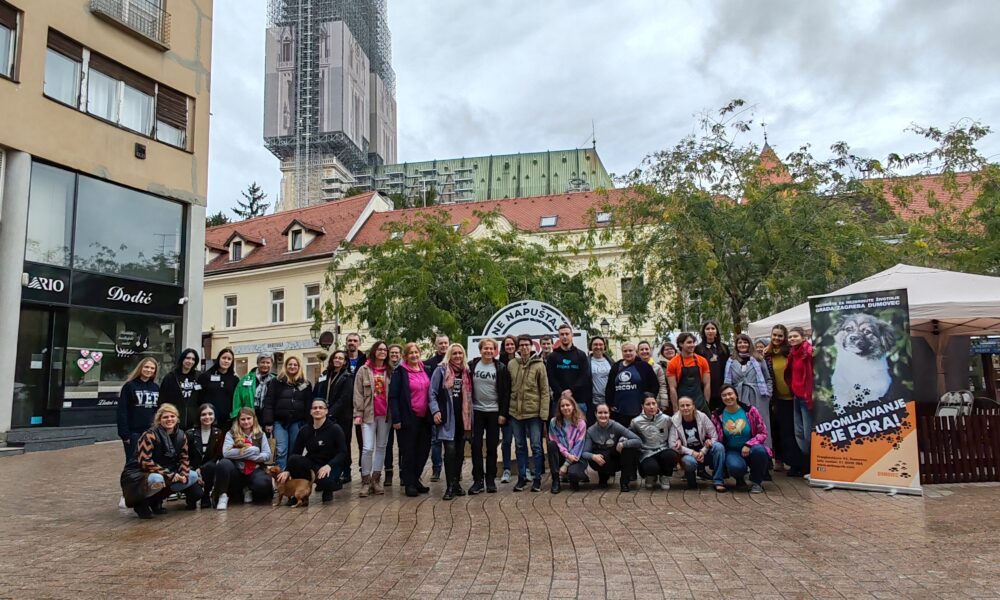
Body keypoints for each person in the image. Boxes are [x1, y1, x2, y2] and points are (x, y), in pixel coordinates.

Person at [120, 403, 202, 518]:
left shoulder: (181, 435)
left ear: (177, 418)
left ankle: (156, 500)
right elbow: (144, 461)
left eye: (172, 416)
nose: (169, 419)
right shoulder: (149, 435)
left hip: (166, 470)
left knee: (192, 476)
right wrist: (170, 475)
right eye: (165, 417)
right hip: (140, 473)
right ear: (159, 420)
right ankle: (141, 502)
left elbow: (184, 457)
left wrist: (183, 474)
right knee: (157, 479)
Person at [278, 398, 348, 503]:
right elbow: (295, 452)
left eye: (321, 408)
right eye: (314, 408)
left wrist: (329, 465)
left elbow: (343, 453)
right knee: (294, 459)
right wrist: (287, 470)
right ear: (310, 412)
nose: (317, 410)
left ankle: (328, 490)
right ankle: (300, 493)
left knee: (326, 481)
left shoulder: (335, 429)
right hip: (313, 464)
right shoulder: (305, 430)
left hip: (330, 466)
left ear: (326, 411)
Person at [429, 343, 474, 500]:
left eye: (460, 353)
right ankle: (449, 486)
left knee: (460, 453)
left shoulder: (467, 372)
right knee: (449, 451)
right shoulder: (441, 370)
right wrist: (435, 411)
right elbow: (432, 393)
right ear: (449, 354)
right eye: (454, 353)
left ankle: (456, 484)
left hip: (463, 419)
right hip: (448, 418)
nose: (457, 356)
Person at [390, 343, 434, 497]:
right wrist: (396, 418)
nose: (414, 355)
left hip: (425, 418)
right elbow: (393, 397)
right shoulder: (400, 372)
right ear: (405, 356)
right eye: (410, 353)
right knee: (409, 452)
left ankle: (416, 479)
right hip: (408, 417)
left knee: (423, 451)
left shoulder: (425, 370)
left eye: (416, 352)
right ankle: (409, 483)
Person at [468, 338, 511, 495]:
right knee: (475, 446)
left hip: (494, 412)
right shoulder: (472, 365)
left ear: (495, 351)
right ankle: (477, 480)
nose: (488, 351)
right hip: (476, 411)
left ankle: (490, 479)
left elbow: (506, 393)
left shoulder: (501, 368)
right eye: (485, 348)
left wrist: (502, 414)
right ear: (480, 350)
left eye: (491, 349)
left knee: (492, 447)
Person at [508, 334, 550, 492]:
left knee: (536, 446)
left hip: (534, 413)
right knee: (519, 446)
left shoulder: (539, 365)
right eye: (522, 345)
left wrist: (543, 414)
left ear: (531, 346)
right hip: (516, 413)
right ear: (518, 347)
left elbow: (545, 391)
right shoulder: (512, 364)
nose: (524, 347)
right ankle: (521, 477)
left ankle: (537, 478)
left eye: (527, 345)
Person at [712, 384, 771, 493]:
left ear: (736, 395)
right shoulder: (717, 415)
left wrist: (749, 444)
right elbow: (713, 435)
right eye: (724, 395)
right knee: (736, 467)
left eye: (730, 394)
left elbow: (763, 432)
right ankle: (739, 477)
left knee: (760, 451)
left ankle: (756, 482)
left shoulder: (750, 411)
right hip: (732, 450)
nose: (728, 397)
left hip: (752, 448)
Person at [214, 407, 273, 509]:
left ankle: (248, 489)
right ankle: (222, 495)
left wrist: (254, 456)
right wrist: (252, 450)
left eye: (249, 418)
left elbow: (267, 455)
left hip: (254, 469)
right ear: (238, 421)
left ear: (254, 419)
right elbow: (226, 453)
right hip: (236, 469)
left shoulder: (260, 434)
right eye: (243, 419)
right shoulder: (231, 434)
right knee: (223, 463)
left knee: (263, 484)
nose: (246, 422)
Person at [354, 341, 392, 497]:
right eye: (380, 349)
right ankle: (365, 481)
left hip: (385, 415)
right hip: (369, 414)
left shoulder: (390, 371)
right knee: (367, 448)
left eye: (385, 349)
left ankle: (376, 480)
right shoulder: (363, 370)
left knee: (382, 447)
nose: (382, 352)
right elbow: (358, 393)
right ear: (374, 351)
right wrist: (358, 413)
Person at [725, 334, 774, 453]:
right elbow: (727, 382)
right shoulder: (731, 361)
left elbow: (768, 378)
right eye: (740, 342)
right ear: (736, 345)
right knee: (743, 425)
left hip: (759, 396)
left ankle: (764, 456)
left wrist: (768, 394)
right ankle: (743, 453)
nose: (743, 345)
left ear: (749, 344)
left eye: (745, 342)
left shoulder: (758, 359)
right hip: (739, 396)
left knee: (761, 425)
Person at [262, 355, 312, 470]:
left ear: (299, 367)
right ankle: (281, 478)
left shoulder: (306, 384)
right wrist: (268, 422)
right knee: (281, 450)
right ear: (285, 366)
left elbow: (308, 404)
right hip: (279, 422)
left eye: (295, 364)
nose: (292, 366)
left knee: (295, 450)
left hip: (298, 422)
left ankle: (292, 475)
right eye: (290, 364)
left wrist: (308, 423)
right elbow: (269, 402)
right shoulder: (276, 382)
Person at [314, 350, 355, 484]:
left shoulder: (348, 376)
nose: (337, 360)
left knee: (343, 445)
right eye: (335, 358)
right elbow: (318, 392)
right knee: (328, 446)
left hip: (341, 417)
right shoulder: (325, 375)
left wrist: (330, 413)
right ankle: (331, 473)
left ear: (344, 362)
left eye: (341, 358)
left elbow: (344, 398)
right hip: (325, 417)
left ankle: (346, 471)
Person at [581, 403, 641, 491]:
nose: (603, 415)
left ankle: (624, 482)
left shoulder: (615, 426)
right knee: (600, 454)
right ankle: (603, 476)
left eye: (605, 413)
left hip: (615, 457)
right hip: (600, 460)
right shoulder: (590, 431)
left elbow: (638, 440)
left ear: (609, 414)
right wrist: (593, 456)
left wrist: (623, 444)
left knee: (630, 450)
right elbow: (584, 452)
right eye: (600, 413)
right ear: (595, 414)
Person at [669, 396, 724, 490]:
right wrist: (692, 453)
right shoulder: (675, 420)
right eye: (682, 406)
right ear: (678, 407)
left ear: (693, 406)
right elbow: (672, 444)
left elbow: (714, 435)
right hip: (688, 454)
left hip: (704, 452)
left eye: (688, 405)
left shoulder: (702, 416)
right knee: (689, 462)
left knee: (719, 447)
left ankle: (718, 481)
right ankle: (691, 480)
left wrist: (703, 451)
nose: (685, 408)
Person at [764, 325, 797, 474]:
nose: (777, 338)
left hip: (793, 397)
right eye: (774, 335)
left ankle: (794, 461)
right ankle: (779, 459)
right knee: (777, 429)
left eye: (780, 336)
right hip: (776, 398)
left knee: (791, 430)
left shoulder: (791, 352)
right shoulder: (767, 354)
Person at [630, 394, 678, 490]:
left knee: (671, 455)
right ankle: (651, 476)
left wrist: (678, 440)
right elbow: (629, 435)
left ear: (657, 404)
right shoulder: (636, 422)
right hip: (647, 453)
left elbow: (674, 432)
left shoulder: (667, 419)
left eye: (653, 403)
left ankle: (665, 476)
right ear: (642, 406)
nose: (651, 407)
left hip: (664, 449)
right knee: (651, 469)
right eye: (648, 404)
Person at [117, 357, 161, 463]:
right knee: (133, 463)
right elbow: (122, 411)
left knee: (150, 462)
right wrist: (124, 434)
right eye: (146, 367)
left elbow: (158, 411)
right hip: (134, 433)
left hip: (151, 432)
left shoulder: (155, 387)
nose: (149, 370)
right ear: (140, 368)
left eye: (152, 368)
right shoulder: (129, 386)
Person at [606, 342, 658, 427]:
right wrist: (610, 403)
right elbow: (610, 387)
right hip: (620, 411)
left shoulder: (644, 366)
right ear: (622, 353)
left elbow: (654, 386)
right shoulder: (616, 366)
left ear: (635, 352)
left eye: (630, 350)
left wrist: (649, 403)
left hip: (639, 411)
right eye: (625, 351)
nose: (628, 353)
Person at [546, 323, 592, 420]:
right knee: (559, 431)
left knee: (579, 431)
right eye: (562, 334)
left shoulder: (581, 355)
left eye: (567, 334)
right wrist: (561, 392)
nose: (564, 336)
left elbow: (584, 376)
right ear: (559, 336)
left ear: (572, 335)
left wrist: (571, 390)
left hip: (578, 400)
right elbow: (550, 377)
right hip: (559, 401)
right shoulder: (552, 356)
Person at [785, 326, 814, 476]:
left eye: (795, 336)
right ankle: (807, 463)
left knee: (809, 435)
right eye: (790, 337)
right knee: (799, 433)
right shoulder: (793, 354)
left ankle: (813, 465)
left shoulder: (808, 352)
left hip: (807, 398)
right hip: (796, 397)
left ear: (803, 337)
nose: (792, 339)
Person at [547, 391, 587, 493]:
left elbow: (579, 446)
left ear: (573, 406)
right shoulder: (553, 422)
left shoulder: (581, 423)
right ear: (559, 408)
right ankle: (556, 480)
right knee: (551, 445)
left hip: (576, 456)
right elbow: (555, 440)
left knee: (575, 474)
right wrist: (566, 455)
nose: (565, 408)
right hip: (562, 454)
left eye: (568, 405)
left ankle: (574, 478)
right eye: (562, 406)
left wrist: (566, 465)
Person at [186, 403, 223, 508]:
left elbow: (217, 456)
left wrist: (202, 469)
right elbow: (185, 456)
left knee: (211, 466)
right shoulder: (190, 434)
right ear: (199, 416)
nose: (207, 417)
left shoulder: (218, 433)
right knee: (194, 499)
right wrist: (194, 469)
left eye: (210, 414)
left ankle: (206, 495)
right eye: (204, 414)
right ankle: (192, 496)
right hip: (192, 470)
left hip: (208, 469)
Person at [668, 333, 711, 414]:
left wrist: (706, 403)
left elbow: (707, 384)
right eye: (689, 342)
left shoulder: (702, 360)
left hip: (700, 402)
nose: (692, 345)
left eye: (693, 342)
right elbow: (672, 388)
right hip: (682, 403)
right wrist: (675, 408)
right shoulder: (673, 363)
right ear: (681, 344)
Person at [426, 333, 449, 481]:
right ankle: (436, 469)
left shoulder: (456, 361)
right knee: (436, 441)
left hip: (453, 408)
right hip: (436, 408)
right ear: (436, 345)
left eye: (446, 343)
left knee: (452, 441)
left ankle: (455, 469)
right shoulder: (428, 363)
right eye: (440, 343)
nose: (443, 346)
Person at [197, 348, 239, 431]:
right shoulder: (205, 376)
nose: (226, 361)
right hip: (208, 419)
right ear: (218, 359)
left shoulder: (235, 379)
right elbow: (198, 397)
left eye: (229, 359)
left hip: (227, 420)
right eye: (224, 358)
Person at [158, 348, 201, 429]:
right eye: (187, 358)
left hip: (194, 423)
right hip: (173, 422)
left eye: (193, 359)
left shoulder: (199, 377)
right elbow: (162, 400)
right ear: (182, 359)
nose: (190, 361)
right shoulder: (170, 377)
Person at [695, 321, 731, 412]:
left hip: (721, 385)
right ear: (703, 332)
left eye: (713, 328)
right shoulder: (698, 349)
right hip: (705, 387)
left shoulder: (724, 348)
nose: (710, 331)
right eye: (707, 329)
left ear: (716, 331)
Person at [345, 332, 367, 478]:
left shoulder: (365, 360)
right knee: (344, 438)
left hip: (361, 404)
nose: (352, 343)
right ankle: (346, 470)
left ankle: (363, 467)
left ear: (359, 343)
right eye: (349, 340)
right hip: (345, 405)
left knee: (362, 438)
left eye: (355, 340)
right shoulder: (340, 359)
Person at [232, 352, 276, 423]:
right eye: (262, 362)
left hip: (269, 419)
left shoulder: (275, 380)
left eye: (268, 363)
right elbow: (237, 398)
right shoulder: (246, 379)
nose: (265, 365)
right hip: (248, 418)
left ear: (271, 364)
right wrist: (236, 416)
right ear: (258, 363)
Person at [498, 334, 518, 483]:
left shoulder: (522, 361)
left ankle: (524, 468)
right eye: (507, 345)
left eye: (512, 344)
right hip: (505, 409)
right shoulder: (499, 364)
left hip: (520, 409)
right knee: (506, 441)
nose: (510, 347)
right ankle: (506, 469)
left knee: (520, 441)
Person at [383, 344, 403, 486]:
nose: (394, 355)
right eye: (392, 353)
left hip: (401, 412)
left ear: (401, 354)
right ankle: (388, 473)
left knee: (403, 444)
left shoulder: (404, 370)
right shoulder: (384, 370)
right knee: (387, 444)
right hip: (385, 412)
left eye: (397, 353)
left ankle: (403, 473)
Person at [637, 341, 670, 413]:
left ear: (650, 350)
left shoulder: (657, 367)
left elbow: (662, 385)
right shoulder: (634, 367)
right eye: (641, 349)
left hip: (655, 402)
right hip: (638, 403)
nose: (644, 351)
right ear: (638, 352)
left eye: (646, 349)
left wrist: (664, 402)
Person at [588, 336, 613, 427]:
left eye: (600, 344)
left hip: (608, 401)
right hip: (593, 401)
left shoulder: (610, 361)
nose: (598, 347)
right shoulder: (587, 362)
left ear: (604, 346)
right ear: (591, 346)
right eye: (595, 344)